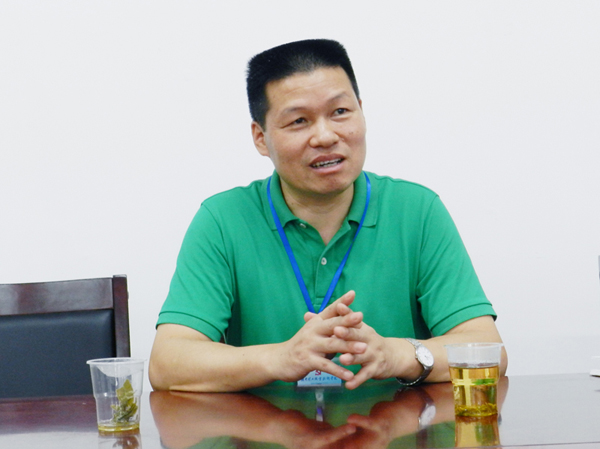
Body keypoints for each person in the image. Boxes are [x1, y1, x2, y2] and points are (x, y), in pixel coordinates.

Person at [149, 39, 507, 393]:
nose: (325, 136)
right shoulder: (223, 220)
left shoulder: (417, 210)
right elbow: (167, 363)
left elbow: (487, 348)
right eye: (299, 121)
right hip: (266, 426)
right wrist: (280, 358)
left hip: (395, 425)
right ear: (260, 137)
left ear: (361, 112)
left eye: (340, 112)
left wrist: (397, 354)